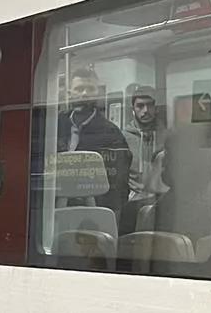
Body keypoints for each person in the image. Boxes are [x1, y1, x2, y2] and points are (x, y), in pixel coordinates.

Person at [56, 66, 132, 226]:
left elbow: (118, 184)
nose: (84, 93)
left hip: (94, 212)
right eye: (79, 89)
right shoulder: (54, 126)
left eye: (90, 89)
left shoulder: (111, 133)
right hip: (53, 208)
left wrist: (111, 221)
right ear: (68, 94)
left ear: (98, 93)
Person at [123, 85, 168, 232]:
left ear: (157, 108)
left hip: (163, 201)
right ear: (133, 109)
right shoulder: (124, 138)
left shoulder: (167, 136)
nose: (145, 111)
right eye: (140, 106)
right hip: (134, 203)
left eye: (150, 105)